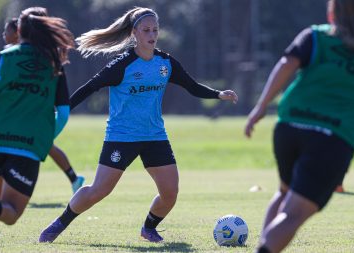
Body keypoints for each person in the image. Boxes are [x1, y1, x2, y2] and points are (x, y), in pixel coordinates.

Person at [38, 6, 238, 243]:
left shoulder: (165, 63)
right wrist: (60, 110)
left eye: (155, 30)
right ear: (135, 33)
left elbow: (192, 86)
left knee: (170, 193)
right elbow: (89, 88)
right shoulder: (122, 65)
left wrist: (218, 94)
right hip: (121, 136)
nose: (152, 35)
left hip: (155, 135)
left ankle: (148, 228)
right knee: (99, 191)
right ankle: (58, 224)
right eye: (146, 30)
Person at [244, 0, 354, 252]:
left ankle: (266, 244)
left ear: (332, 12)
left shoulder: (315, 35)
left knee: (285, 193)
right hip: (332, 137)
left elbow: (285, 65)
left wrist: (261, 106)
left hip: (289, 127)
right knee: (294, 214)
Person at [0, 7, 75, 253]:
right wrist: (45, 139)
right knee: (9, 214)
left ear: (19, 30)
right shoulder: (53, 64)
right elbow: (63, 113)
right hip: (27, 146)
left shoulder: (3, 57)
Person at [3, 18, 85, 193]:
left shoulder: (28, 56)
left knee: (37, 144)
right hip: (25, 115)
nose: (4, 34)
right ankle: (74, 179)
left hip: (32, 114)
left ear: (17, 33)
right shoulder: (13, 53)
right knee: (45, 145)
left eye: (7, 30)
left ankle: (10, 187)